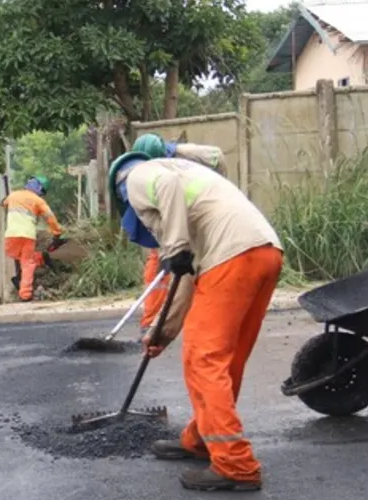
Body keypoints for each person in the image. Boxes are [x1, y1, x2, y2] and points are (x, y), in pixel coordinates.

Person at [109, 150, 283, 492]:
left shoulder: (137, 175)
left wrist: (173, 248)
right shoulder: (189, 182)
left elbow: (168, 189)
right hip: (263, 253)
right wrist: (162, 333)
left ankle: (236, 463)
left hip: (231, 257)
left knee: (204, 360)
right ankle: (203, 439)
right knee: (225, 361)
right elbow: (184, 280)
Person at [130, 133, 228, 335]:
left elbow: (217, 156)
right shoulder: (156, 171)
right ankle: (154, 319)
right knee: (161, 259)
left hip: (200, 211)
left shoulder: (184, 158)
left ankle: (162, 321)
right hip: (177, 211)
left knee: (189, 265)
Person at [0, 176, 62, 301]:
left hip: (11, 235)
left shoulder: (14, 195)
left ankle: (25, 274)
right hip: (27, 235)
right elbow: (50, 218)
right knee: (27, 263)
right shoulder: (38, 201)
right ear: (39, 188)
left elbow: (2, 203)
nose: (42, 195)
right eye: (42, 192)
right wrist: (57, 232)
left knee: (21, 259)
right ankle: (25, 294)